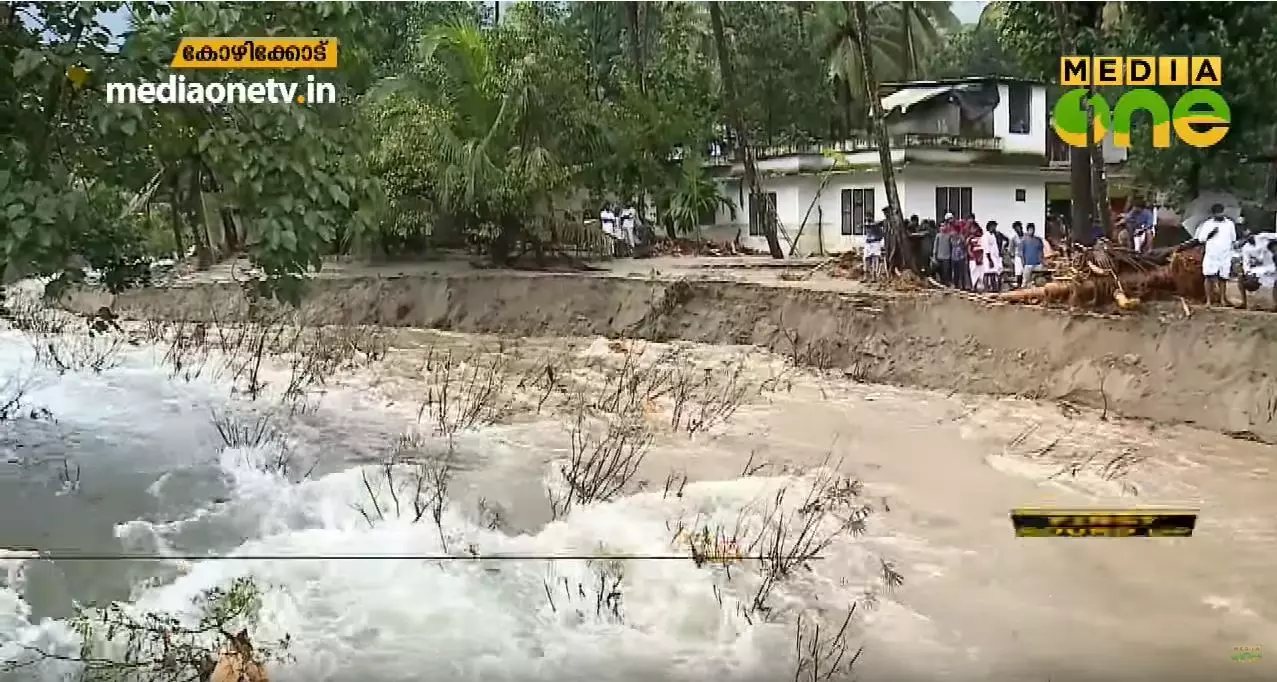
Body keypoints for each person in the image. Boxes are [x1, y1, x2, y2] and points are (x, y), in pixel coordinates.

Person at [1194, 203, 1238, 307]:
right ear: (1213, 214)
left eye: (1221, 212)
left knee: (1223, 278)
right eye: (1217, 213)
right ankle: (1208, 301)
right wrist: (1211, 234)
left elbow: (1233, 239)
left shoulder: (1229, 224)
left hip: (1225, 253)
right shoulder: (1208, 224)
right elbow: (1201, 239)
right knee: (1208, 276)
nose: (1220, 214)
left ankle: (1222, 299)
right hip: (1212, 254)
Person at [1240, 232, 1277, 310]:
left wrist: (1273, 244)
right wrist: (1248, 273)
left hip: (1272, 265)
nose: (1249, 237)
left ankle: (1275, 304)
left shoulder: (1263, 237)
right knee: (1241, 277)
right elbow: (1246, 263)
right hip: (1260, 268)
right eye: (1247, 236)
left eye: (1250, 234)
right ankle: (1244, 302)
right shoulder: (1246, 248)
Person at [1019, 224, 1046, 288]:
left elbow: (1041, 252)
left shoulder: (1038, 240)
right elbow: (1021, 254)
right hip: (1028, 264)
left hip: (1037, 264)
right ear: (1027, 230)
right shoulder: (1023, 241)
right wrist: (1023, 263)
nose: (1032, 231)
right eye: (1030, 229)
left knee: (1039, 281)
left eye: (1033, 229)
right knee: (1025, 282)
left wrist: (1042, 262)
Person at [980, 221, 1004, 292]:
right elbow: (986, 248)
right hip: (988, 258)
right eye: (994, 226)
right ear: (990, 227)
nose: (995, 228)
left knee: (993, 273)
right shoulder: (985, 236)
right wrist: (990, 260)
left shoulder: (993, 235)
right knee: (987, 273)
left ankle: (994, 289)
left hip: (994, 257)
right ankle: (986, 288)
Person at [933, 216, 955, 286]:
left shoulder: (949, 236)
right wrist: (934, 256)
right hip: (939, 257)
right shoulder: (938, 236)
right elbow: (935, 246)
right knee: (940, 272)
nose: (943, 228)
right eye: (941, 226)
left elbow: (951, 246)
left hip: (947, 257)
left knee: (946, 273)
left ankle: (946, 284)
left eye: (944, 226)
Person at [967, 224, 985, 291]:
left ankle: (981, 287)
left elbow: (984, 248)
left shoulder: (982, 238)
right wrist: (973, 256)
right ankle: (973, 287)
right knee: (974, 273)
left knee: (981, 274)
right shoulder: (970, 238)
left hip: (981, 258)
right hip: (973, 259)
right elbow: (969, 249)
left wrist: (981, 257)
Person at [1009, 222, 1025, 289]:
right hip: (1018, 256)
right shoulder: (1014, 238)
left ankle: (1025, 285)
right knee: (1018, 272)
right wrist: (1012, 257)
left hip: (1026, 256)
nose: (1018, 229)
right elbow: (1011, 249)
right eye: (1016, 228)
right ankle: (1019, 285)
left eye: (1018, 227)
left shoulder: (1026, 236)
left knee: (1026, 271)